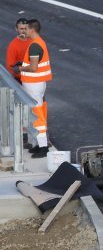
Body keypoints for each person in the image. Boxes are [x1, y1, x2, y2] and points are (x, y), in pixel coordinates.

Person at [18, 19, 52, 158]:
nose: (23, 31)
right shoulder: (38, 43)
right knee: (38, 113)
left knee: (37, 115)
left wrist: (20, 67)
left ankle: (43, 147)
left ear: (32, 30)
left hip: (34, 84)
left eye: (26, 29)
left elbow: (33, 67)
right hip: (37, 84)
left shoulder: (34, 46)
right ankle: (40, 144)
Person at [5, 18, 29, 83]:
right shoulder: (13, 46)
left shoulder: (34, 41)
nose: (24, 31)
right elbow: (10, 67)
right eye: (21, 29)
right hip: (22, 80)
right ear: (16, 29)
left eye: (25, 28)